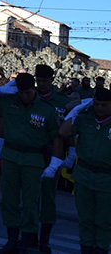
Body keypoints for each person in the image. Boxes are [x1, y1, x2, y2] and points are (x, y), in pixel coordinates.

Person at [0, 72, 62, 254]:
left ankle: (26, 242)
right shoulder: (9, 101)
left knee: (30, 203)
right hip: (10, 156)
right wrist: (5, 88)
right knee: (9, 201)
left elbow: (56, 137)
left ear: (33, 89)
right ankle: (11, 241)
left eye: (27, 92)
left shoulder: (46, 109)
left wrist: (54, 164)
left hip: (34, 160)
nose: (24, 96)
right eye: (20, 92)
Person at [60, 88, 111, 254]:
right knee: (85, 219)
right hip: (84, 174)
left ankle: (101, 249)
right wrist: (77, 109)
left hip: (107, 178)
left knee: (104, 221)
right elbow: (64, 132)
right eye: (97, 104)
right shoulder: (84, 119)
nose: (100, 108)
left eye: (104, 105)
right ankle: (86, 249)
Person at [35, 63, 72, 252]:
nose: (41, 84)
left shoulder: (61, 102)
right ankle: (29, 236)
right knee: (30, 197)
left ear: (51, 81)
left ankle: (45, 239)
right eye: (38, 81)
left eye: (44, 81)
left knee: (48, 199)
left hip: (53, 155)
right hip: (32, 154)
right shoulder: (30, 98)